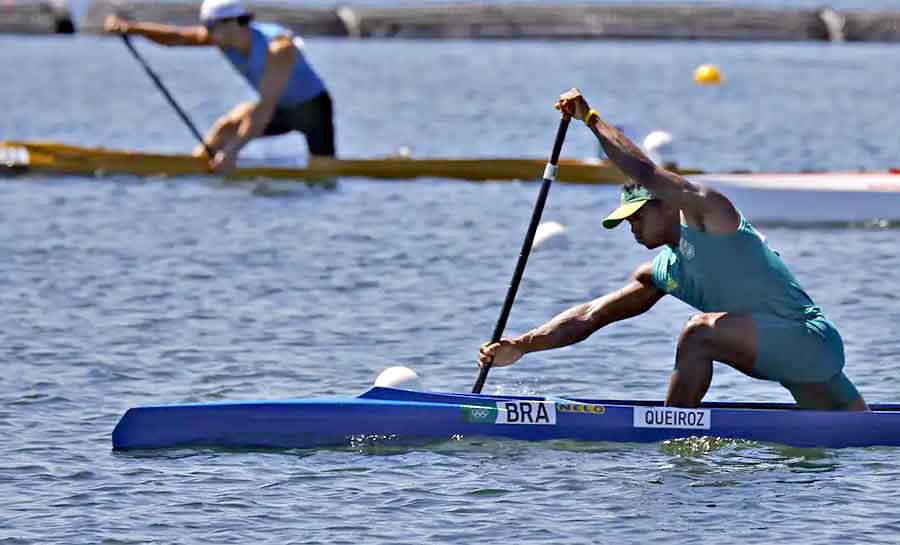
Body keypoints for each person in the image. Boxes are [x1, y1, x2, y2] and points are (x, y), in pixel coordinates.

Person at [478, 88, 868, 411]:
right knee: (862, 433)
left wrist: (590, 118)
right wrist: (521, 346)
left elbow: (647, 173)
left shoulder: (711, 216)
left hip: (809, 341)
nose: (631, 227)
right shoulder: (663, 271)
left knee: (698, 332)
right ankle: (674, 426)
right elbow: (590, 316)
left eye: (636, 216)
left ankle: (671, 430)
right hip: (791, 361)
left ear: (667, 203)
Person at [104, 0, 335, 174]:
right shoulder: (223, 37)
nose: (206, 33)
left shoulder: (279, 48)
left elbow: (264, 109)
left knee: (323, 171)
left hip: (312, 110)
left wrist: (233, 152)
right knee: (227, 127)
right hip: (279, 107)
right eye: (206, 26)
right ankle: (193, 167)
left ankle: (224, 160)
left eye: (211, 26)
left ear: (234, 22)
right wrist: (131, 28)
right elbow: (176, 37)